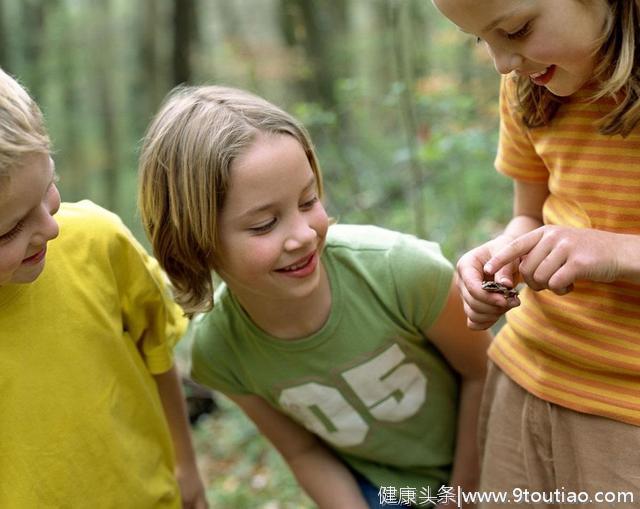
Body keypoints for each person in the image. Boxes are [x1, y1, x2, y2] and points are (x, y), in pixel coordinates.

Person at [137, 84, 491, 509]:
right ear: (195, 242)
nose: (303, 235)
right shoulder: (219, 352)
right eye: (265, 224)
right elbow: (302, 451)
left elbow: (483, 374)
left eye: (308, 201)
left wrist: (464, 495)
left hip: (489, 459)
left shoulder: (402, 272)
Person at [432, 0, 640, 505]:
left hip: (624, 414)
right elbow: (530, 212)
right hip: (523, 379)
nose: (504, 63)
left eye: (517, 30)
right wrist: (504, 255)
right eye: (483, 41)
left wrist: (615, 251)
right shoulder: (530, 85)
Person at [0, 67, 207, 509]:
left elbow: (158, 351)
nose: (50, 227)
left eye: (48, 188)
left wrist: (186, 468)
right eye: (11, 229)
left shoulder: (99, 242)